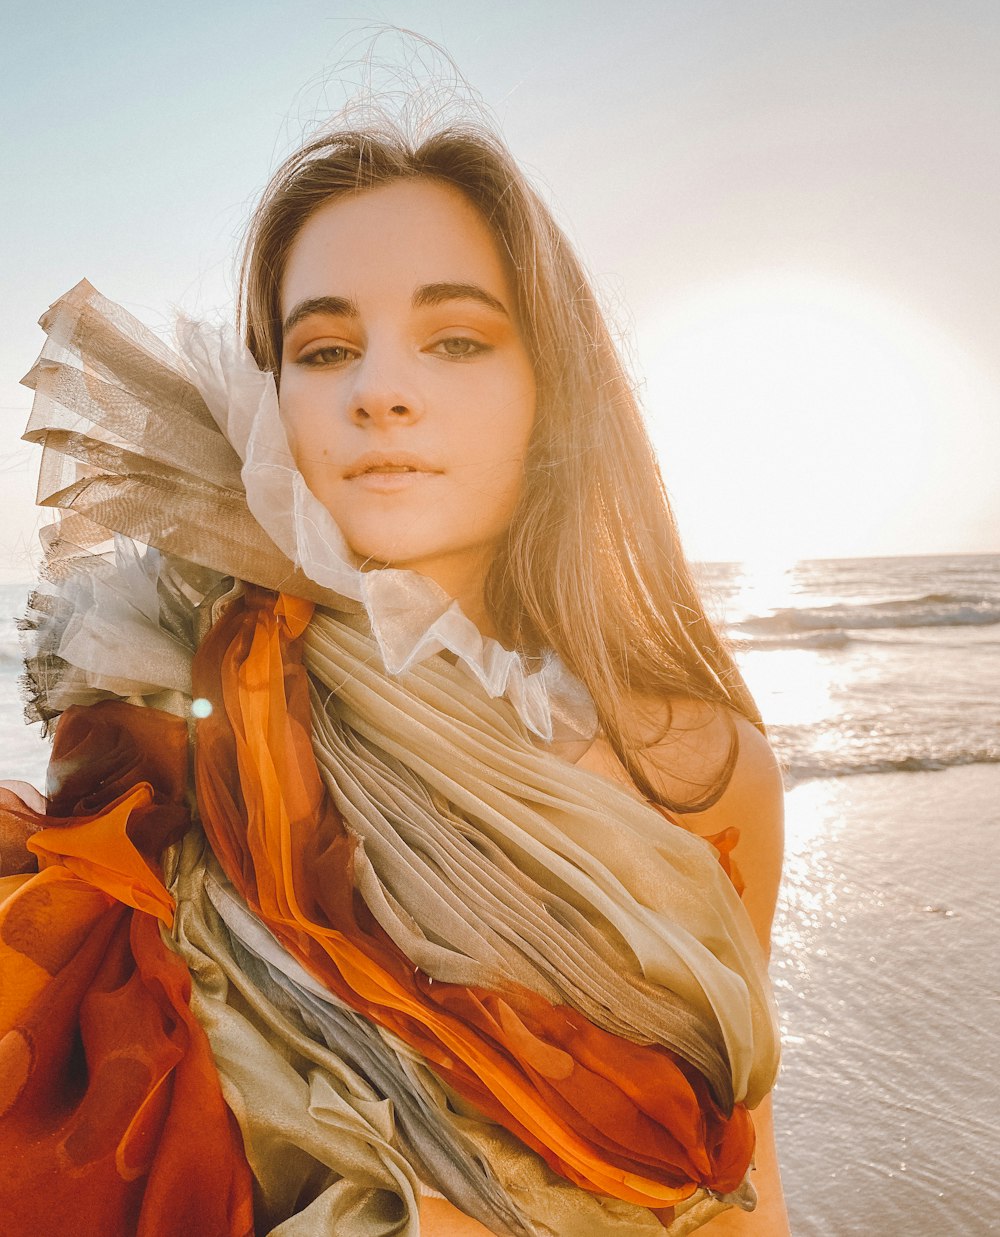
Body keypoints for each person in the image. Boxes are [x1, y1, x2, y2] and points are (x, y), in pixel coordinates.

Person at [0, 112, 787, 1236]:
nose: (380, 390)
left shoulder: (700, 771)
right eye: (323, 350)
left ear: (548, 387)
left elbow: (742, 1175)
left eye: (456, 339)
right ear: (273, 400)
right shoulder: (181, 712)